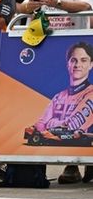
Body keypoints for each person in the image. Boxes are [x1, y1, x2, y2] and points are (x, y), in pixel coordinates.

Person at [36, 42, 93, 184]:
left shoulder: (91, 93)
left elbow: (71, 127)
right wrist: (54, 126)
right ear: (67, 64)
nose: (77, 64)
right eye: (73, 60)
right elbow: (39, 124)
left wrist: (51, 125)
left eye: (83, 60)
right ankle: (72, 167)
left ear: (91, 64)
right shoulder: (58, 96)